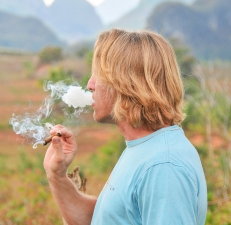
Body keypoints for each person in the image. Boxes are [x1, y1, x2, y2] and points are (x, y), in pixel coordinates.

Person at [43, 28, 207, 225]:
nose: (90, 84)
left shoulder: (163, 166)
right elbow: (103, 219)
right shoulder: (144, 147)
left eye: (99, 74)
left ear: (127, 83)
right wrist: (57, 176)